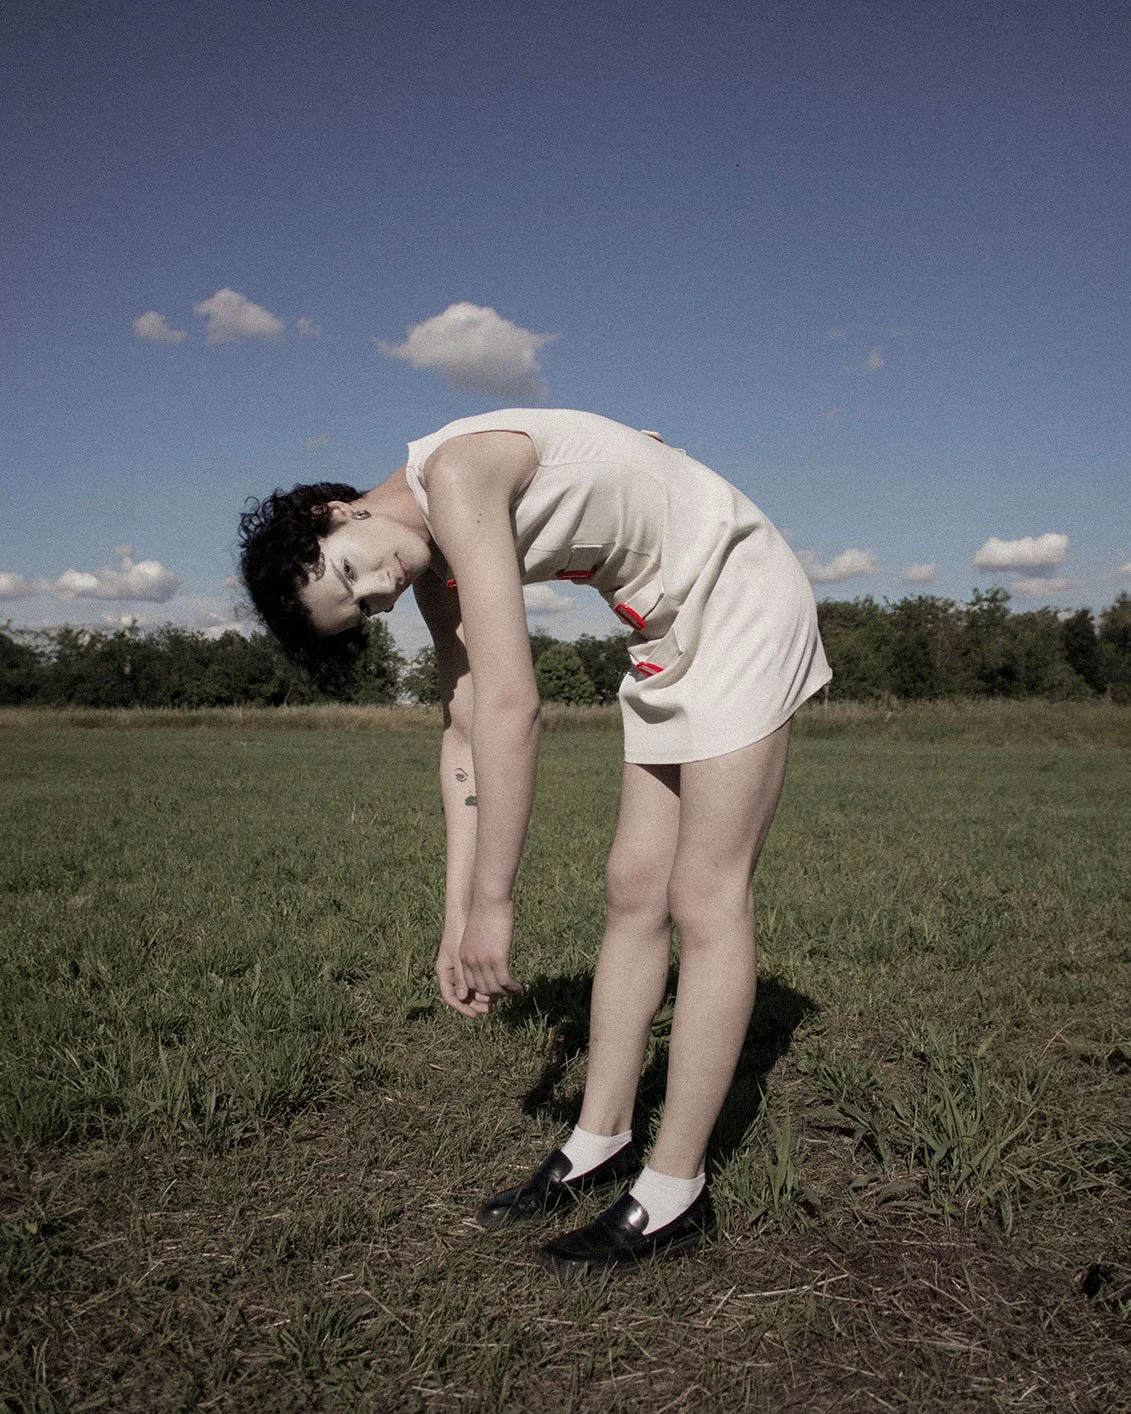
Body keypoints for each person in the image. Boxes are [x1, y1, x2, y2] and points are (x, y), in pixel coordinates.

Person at [239, 408, 831, 1272]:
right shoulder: (430, 558)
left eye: (352, 574)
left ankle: (675, 1191)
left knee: (705, 893)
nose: (381, 593)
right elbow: (464, 729)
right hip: (665, 629)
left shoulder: (454, 477)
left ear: (332, 513)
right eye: (362, 609)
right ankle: (600, 1140)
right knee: (633, 886)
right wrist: (457, 919)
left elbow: (513, 705)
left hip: (739, 601)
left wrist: (496, 900)